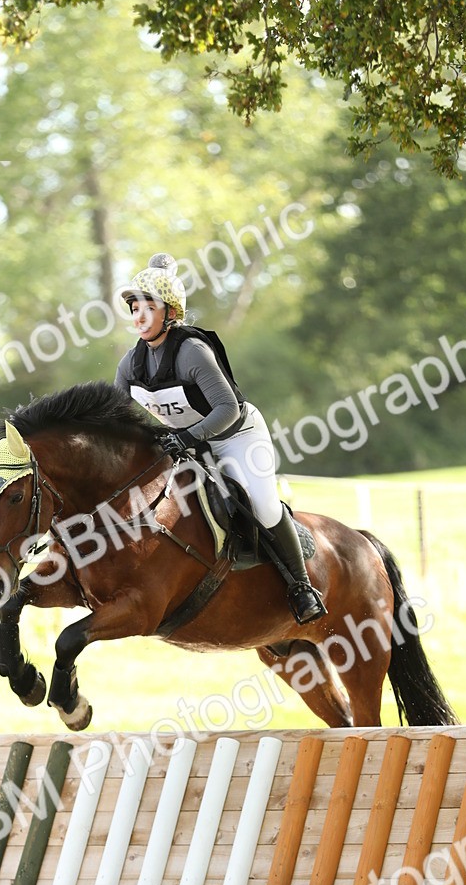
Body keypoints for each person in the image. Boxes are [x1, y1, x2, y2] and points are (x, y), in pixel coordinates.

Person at [114, 252, 326, 624]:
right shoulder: (130, 365)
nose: (140, 316)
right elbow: (116, 417)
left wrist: (187, 437)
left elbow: (226, 408)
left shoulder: (191, 351)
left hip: (237, 437)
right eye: (135, 308)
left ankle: (302, 586)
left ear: (171, 312)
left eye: (149, 307)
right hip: (189, 445)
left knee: (262, 506)